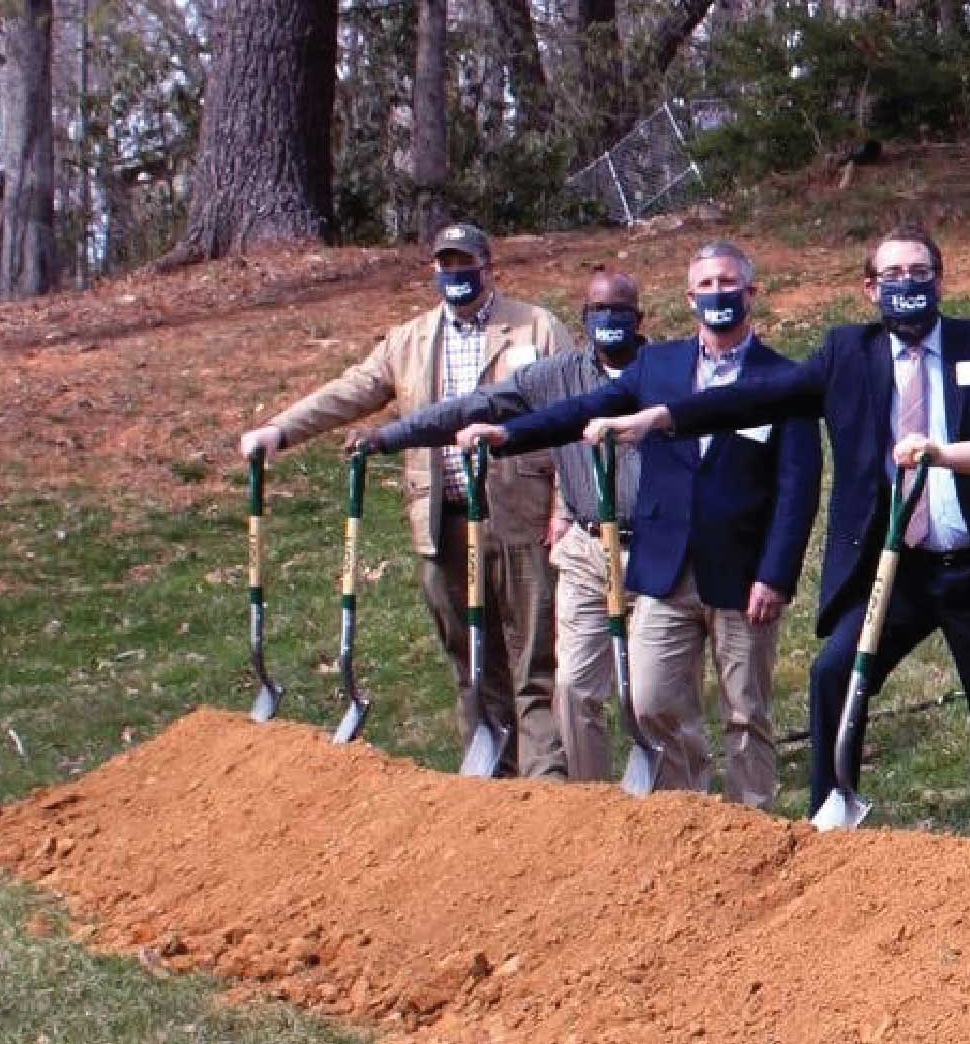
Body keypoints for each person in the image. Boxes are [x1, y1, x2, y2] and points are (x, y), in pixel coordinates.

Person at [575, 223, 970, 839]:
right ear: (868, 288)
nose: (905, 285)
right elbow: (757, 398)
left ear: (941, 279)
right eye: (891, 276)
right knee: (835, 673)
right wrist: (666, 417)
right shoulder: (847, 354)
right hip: (895, 565)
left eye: (918, 273)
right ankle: (833, 812)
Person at [475, 241, 819, 803]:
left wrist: (776, 573)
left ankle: (752, 823)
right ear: (689, 299)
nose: (718, 294)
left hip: (742, 574)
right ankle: (686, 809)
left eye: (729, 282)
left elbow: (798, 487)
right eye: (706, 285)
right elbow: (585, 408)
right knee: (651, 699)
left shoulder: (784, 378)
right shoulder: (658, 367)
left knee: (745, 710)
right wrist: (513, 434)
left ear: (751, 293)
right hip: (666, 568)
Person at [238, 219, 565, 773]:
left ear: (490, 268)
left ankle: (548, 782)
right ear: (434, 270)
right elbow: (352, 389)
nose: (456, 274)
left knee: (534, 657)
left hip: (520, 517)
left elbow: (567, 417)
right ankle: (491, 779)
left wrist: (562, 506)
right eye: (447, 264)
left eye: (466, 264)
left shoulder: (537, 328)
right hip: (443, 521)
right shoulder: (410, 340)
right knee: (470, 660)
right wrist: (281, 430)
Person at [373, 266, 653, 782]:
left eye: (620, 310)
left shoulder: (667, 370)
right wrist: (394, 436)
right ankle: (588, 801)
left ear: (640, 318)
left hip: (659, 547)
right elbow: (476, 406)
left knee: (657, 693)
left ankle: (679, 797)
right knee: (572, 688)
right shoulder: (556, 377)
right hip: (590, 548)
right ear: (584, 318)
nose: (609, 320)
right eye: (598, 311)